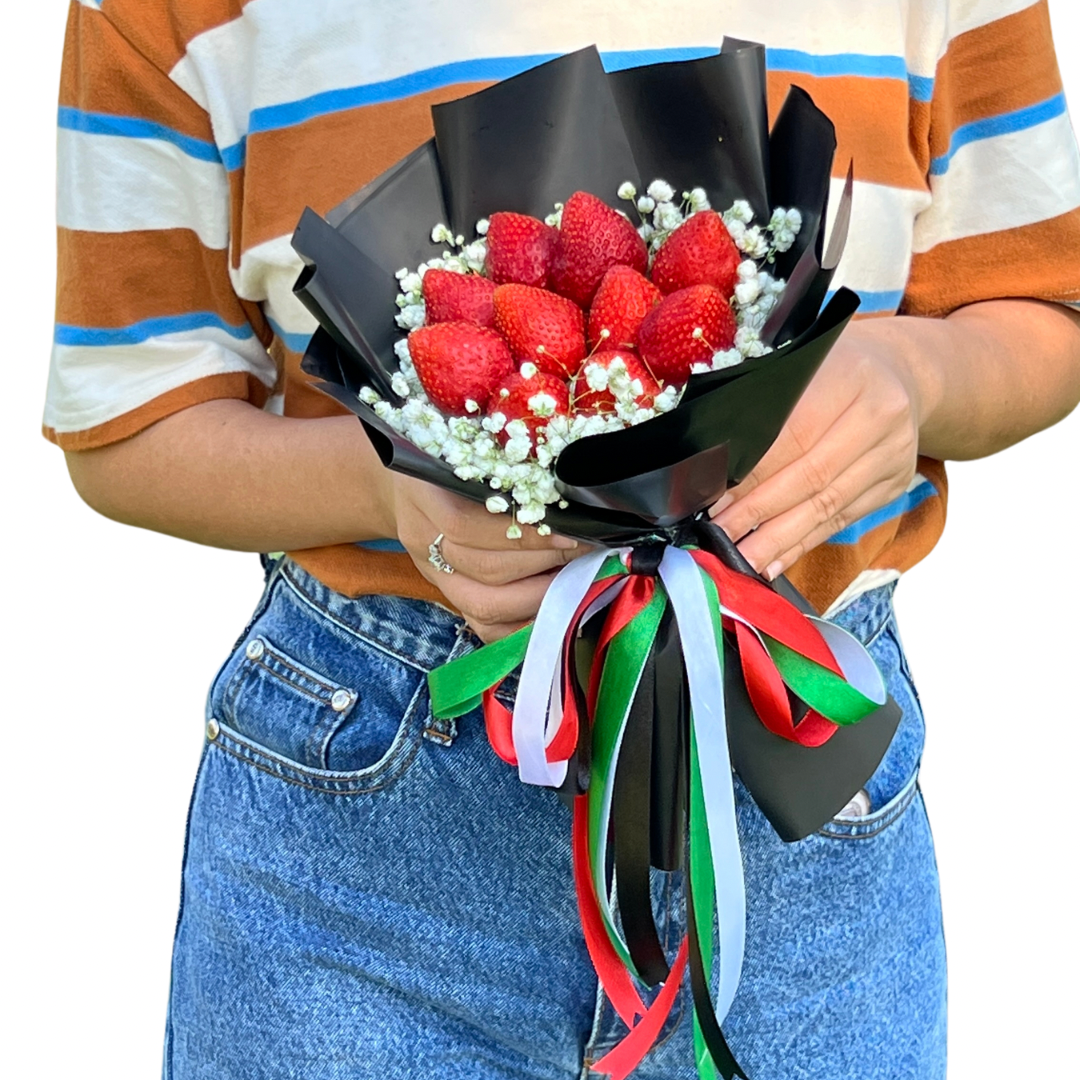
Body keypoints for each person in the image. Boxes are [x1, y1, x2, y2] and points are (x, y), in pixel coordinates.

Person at [47, 1, 1080, 1077]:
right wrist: (383, 486)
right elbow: (130, 422)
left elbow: (1041, 309)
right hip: (365, 857)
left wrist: (914, 375)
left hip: (800, 777)